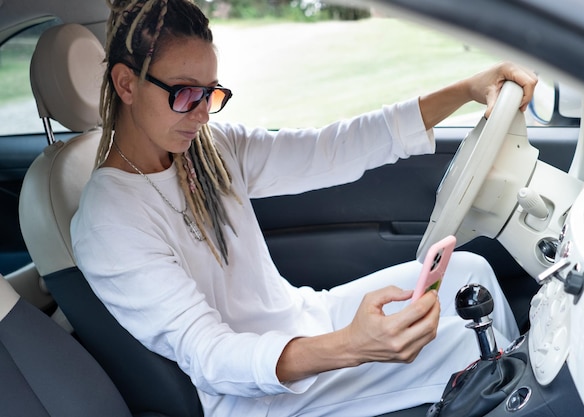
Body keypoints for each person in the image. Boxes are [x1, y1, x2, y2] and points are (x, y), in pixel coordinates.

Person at [70, 0, 537, 415]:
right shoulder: (109, 220)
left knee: (470, 271)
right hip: (265, 394)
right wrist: (351, 347)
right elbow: (210, 355)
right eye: (185, 94)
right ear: (126, 84)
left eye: (211, 94)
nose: (202, 114)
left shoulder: (210, 150)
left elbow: (332, 149)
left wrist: (465, 91)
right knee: (462, 342)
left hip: (308, 317)